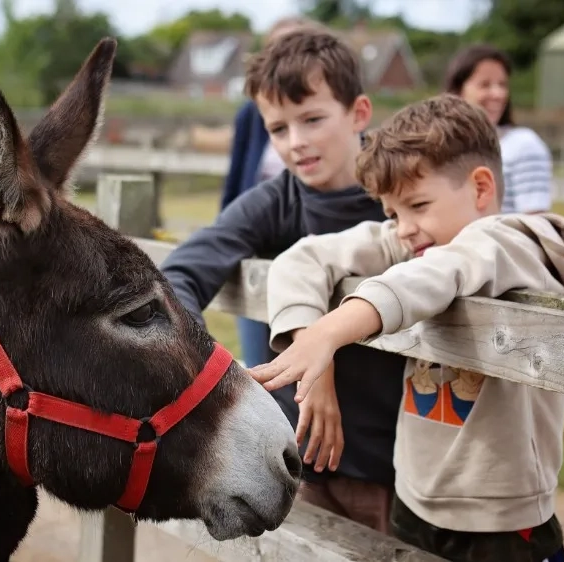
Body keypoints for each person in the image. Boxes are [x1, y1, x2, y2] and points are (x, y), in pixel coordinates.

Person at [251, 93, 564, 562]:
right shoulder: (421, 238)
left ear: (479, 188)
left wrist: (329, 334)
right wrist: (312, 348)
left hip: (501, 523)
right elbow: (304, 256)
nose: (403, 228)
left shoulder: (514, 244)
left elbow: (434, 276)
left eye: (417, 204)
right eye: (392, 214)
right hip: (412, 499)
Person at [159, 28, 405, 533]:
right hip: (296, 461)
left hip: (392, 464)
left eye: (313, 119)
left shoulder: (406, 197)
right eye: (278, 128)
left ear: (359, 113)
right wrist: (201, 370)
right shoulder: (274, 201)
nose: (296, 143)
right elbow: (180, 275)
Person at [219, 15, 323, 370]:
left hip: (308, 248)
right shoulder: (252, 112)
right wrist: (227, 233)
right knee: (258, 354)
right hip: (257, 246)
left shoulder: (329, 109)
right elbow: (237, 177)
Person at [444, 44, 553, 214]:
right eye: (485, 85)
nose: (498, 94)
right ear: (458, 91)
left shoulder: (524, 145)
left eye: (502, 85)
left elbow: (535, 226)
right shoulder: (441, 148)